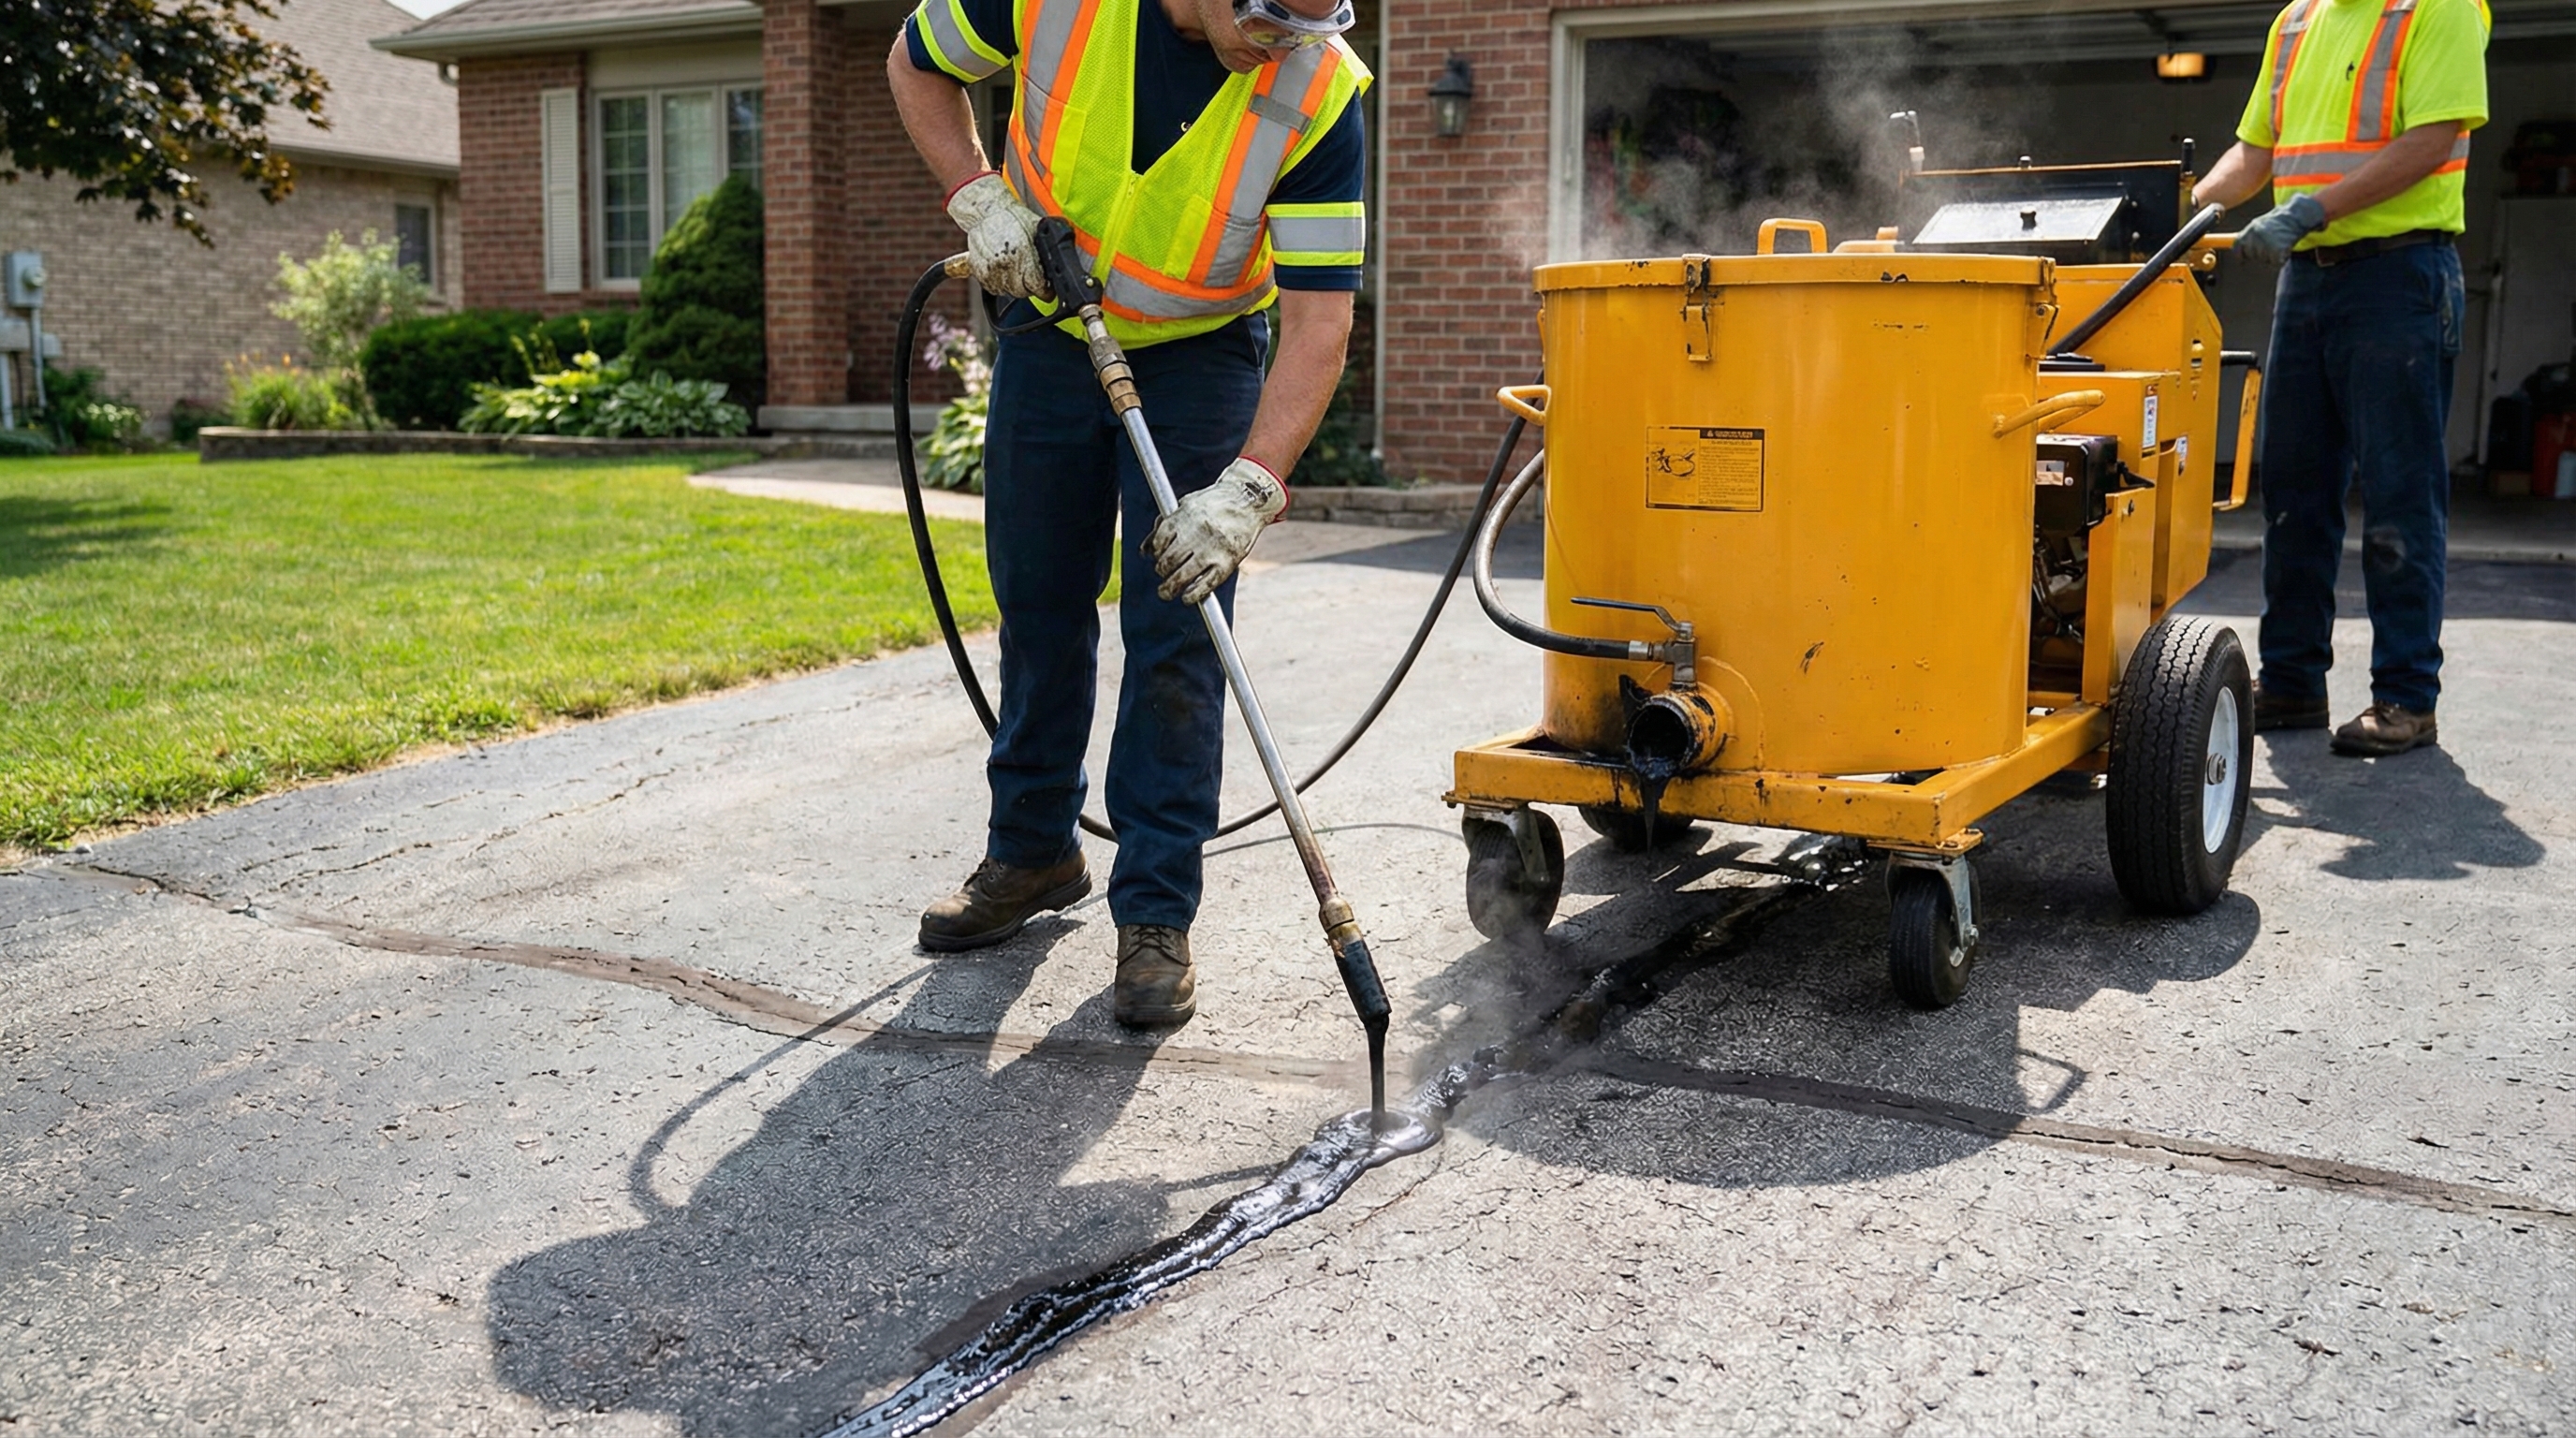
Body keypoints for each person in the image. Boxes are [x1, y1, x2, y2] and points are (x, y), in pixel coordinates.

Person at [886, 0, 1369, 1024]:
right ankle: (1030, 853)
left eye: (1308, 26)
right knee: (1039, 597)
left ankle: (1155, 913)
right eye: (1267, 19)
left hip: (1203, 355)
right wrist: (978, 195)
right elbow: (915, 63)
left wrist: (1250, 489)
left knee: (1180, 623)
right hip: (1053, 329)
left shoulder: (1321, 94)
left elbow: (1321, 321)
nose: (1280, 46)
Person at [2194, 0, 2489, 756]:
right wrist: (2195, 206)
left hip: (2400, 276)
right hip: (2310, 282)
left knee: (2399, 491)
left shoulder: (2438, 9)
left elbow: (2431, 141)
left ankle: (2406, 699)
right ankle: (2292, 681)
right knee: (2295, 488)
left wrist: (2310, 210)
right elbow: (2254, 150)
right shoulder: (2297, 21)